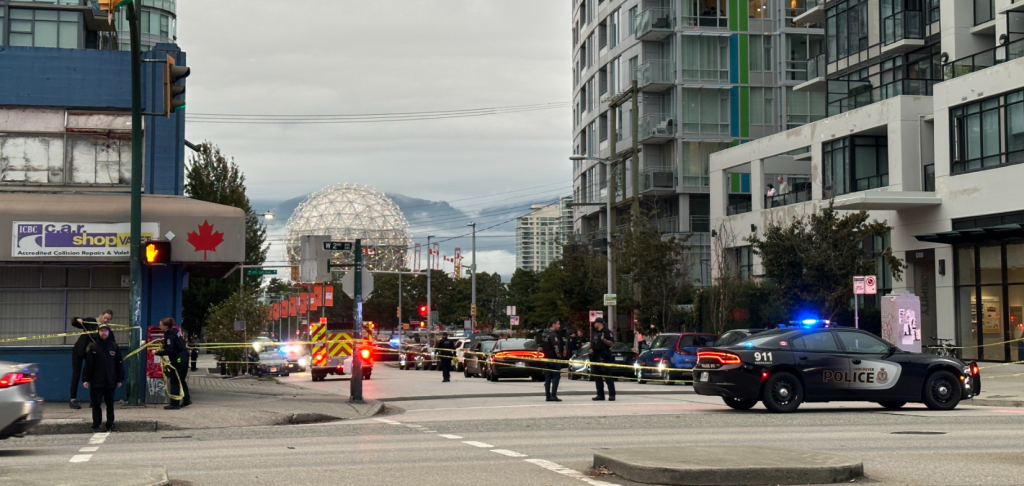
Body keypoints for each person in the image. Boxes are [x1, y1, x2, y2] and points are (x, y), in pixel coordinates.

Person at [82, 323, 123, 433]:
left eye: (105, 330)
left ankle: (110, 424)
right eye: (101, 331)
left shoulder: (114, 347)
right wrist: (85, 379)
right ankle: (96, 425)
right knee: (96, 404)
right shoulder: (93, 347)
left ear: (109, 332)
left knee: (110, 404)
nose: (103, 333)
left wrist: (120, 378)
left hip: (110, 381)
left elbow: (119, 363)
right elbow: (88, 364)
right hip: (96, 382)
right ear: (98, 332)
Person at [69, 310, 113, 409]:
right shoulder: (92, 321)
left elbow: (110, 342)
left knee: (94, 375)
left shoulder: (106, 330)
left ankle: (94, 400)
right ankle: (72, 400)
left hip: (91, 354)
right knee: (76, 374)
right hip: (79, 351)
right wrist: (77, 320)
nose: (106, 320)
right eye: (105, 318)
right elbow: (75, 323)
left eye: (108, 319)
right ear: (101, 316)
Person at [155, 317, 191, 409]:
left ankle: (174, 404)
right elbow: (176, 343)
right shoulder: (175, 332)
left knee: (175, 380)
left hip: (178, 360)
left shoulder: (169, 336)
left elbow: (168, 351)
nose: (159, 327)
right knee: (181, 379)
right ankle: (186, 399)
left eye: (161, 325)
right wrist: (163, 341)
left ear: (166, 326)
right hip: (184, 357)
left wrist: (157, 352)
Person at [589, 318, 616, 401]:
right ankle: (600, 395)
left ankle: (612, 395)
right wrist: (591, 349)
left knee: (608, 378)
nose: (594, 324)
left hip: (604, 357)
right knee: (597, 378)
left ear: (600, 323)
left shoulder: (607, 332)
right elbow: (591, 343)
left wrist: (603, 339)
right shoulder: (595, 333)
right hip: (595, 357)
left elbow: (612, 343)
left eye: (595, 323)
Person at [540, 317, 565, 402]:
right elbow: (556, 347)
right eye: (558, 324)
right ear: (553, 324)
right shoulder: (553, 334)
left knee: (547, 378)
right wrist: (559, 357)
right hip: (554, 359)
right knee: (556, 377)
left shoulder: (545, 334)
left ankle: (547, 396)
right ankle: (553, 395)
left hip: (546, 358)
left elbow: (541, 345)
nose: (559, 326)